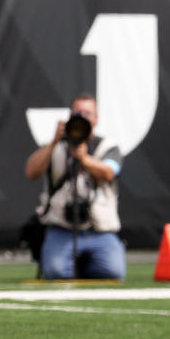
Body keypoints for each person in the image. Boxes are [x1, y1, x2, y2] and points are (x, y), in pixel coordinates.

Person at [24, 94, 125, 280]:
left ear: (96, 118)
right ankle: (72, 262)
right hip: (62, 228)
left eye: (87, 113)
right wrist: (54, 142)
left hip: (99, 229)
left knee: (113, 273)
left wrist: (84, 158)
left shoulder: (107, 146)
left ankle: (85, 263)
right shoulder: (55, 146)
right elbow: (31, 172)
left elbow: (110, 172)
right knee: (55, 273)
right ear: (70, 116)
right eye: (77, 113)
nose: (82, 117)